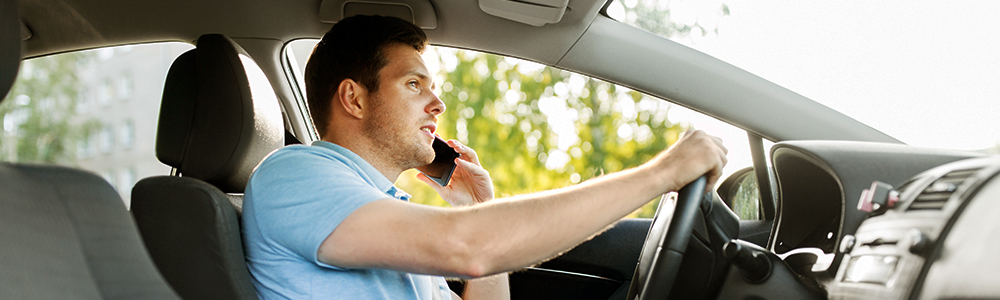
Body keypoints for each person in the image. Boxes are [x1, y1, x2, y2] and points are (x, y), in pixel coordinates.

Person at [241, 15, 728, 300]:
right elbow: (466, 247)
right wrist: (664, 172)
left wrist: (475, 208)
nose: (438, 105)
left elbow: (470, 249)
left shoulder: (374, 208)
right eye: (414, 85)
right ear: (354, 98)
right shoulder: (295, 174)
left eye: (434, 88)